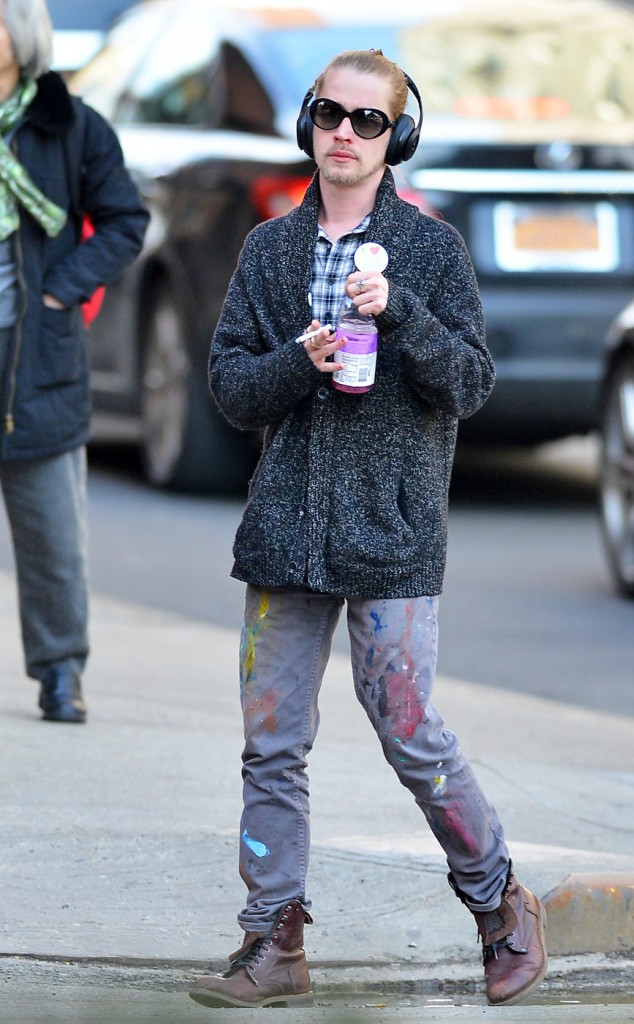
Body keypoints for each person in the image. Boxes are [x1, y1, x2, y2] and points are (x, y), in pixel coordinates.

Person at [189, 49, 547, 1009]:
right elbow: (228, 387)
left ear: (400, 136)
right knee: (271, 742)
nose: (345, 133)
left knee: (409, 730)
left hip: (392, 533)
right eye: (329, 114)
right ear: (307, 123)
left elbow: (470, 384)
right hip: (285, 532)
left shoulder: (430, 253)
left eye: (369, 120)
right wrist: (299, 362)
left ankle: (502, 905)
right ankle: (275, 943)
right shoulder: (268, 250)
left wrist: (406, 319)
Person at [0, 0, 148, 723]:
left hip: (37, 358)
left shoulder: (71, 126)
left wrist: (63, 291)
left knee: (54, 535)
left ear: (22, 38)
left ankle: (61, 672)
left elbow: (125, 219)